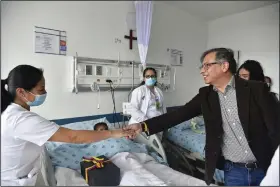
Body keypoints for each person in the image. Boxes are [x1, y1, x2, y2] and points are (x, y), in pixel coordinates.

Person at [124, 48, 279, 186]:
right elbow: (177, 115)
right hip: (234, 171)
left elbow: (275, 129)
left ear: (224, 66)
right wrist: (142, 126)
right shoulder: (206, 95)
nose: (202, 70)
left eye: (207, 65)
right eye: (202, 66)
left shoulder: (256, 90)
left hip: (265, 166)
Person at [1, 65, 134, 186]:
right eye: (41, 89)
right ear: (21, 92)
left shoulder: (11, 111)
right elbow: (73, 137)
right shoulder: (20, 119)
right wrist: (115, 133)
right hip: (13, 180)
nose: (45, 93)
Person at [129, 67, 166, 139]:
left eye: (152, 76)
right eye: (148, 76)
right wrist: (147, 122)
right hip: (142, 125)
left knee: (157, 147)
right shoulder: (139, 91)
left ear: (156, 78)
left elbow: (163, 108)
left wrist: (165, 121)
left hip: (158, 124)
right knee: (144, 148)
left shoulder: (159, 91)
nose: (150, 78)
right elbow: (133, 109)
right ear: (144, 78)